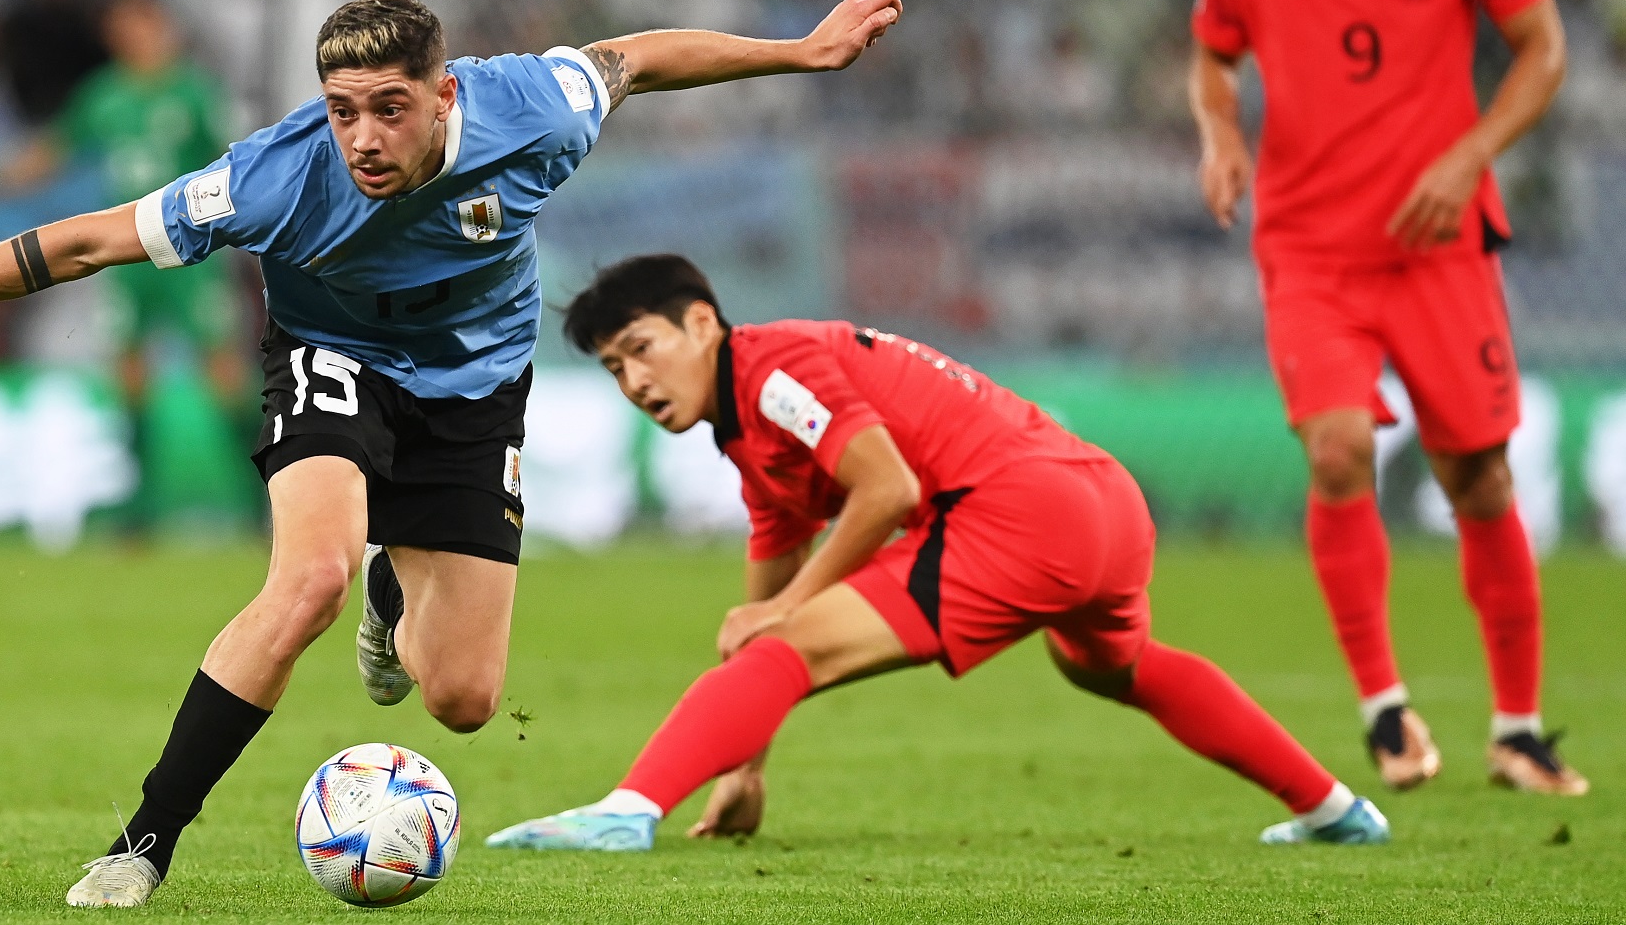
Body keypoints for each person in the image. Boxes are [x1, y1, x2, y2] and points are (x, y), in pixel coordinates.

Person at [0, 0, 904, 905]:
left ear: (444, 94)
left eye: (389, 108)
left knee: (463, 697)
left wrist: (799, 53)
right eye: (342, 109)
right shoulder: (272, 176)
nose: (363, 137)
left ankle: (390, 588)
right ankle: (143, 842)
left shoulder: (533, 109)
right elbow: (81, 243)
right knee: (307, 577)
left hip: (476, 393)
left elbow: (637, 59)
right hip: (335, 361)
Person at [486, 255, 1387, 853]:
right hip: (1102, 504)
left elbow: (886, 490)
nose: (635, 380)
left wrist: (786, 612)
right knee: (1114, 667)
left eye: (642, 349)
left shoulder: (771, 369)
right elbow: (762, 616)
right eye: (615, 368)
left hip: (1021, 514)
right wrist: (745, 763)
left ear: (702, 322)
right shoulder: (751, 432)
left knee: (792, 637)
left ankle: (627, 810)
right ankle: (1335, 809)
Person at [1187, 0, 1584, 795]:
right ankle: (1385, 710)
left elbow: (1544, 49)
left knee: (1480, 476)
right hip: (1310, 244)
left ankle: (1518, 728)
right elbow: (1212, 52)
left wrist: (1469, 156)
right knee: (1335, 450)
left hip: (1436, 239)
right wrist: (1219, 133)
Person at [7, 0, 253, 527]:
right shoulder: (104, 95)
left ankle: (263, 502)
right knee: (130, 374)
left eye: (139, 24)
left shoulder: (195, 91)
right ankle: (138, 512)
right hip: (127, 256)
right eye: (120, 27)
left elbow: (235, 160)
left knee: (223, 372)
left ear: (161, 26)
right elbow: (56, 150)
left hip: (192, 253)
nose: (130, 36)